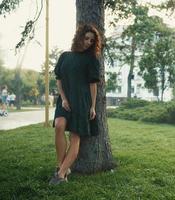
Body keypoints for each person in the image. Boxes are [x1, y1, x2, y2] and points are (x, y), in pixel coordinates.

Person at [49, 24, 102, 185]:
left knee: (75, 137)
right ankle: (61, 166)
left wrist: (92, 106)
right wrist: (63, 98)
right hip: (65, 100)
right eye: (86, 38)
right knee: (59, 125)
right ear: (79, 38)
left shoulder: (91, 59)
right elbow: (58, 80)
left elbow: (93, 85)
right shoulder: (65, 56)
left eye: (92, 41)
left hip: (82, 102)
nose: (88, 42)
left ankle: (61, 174)